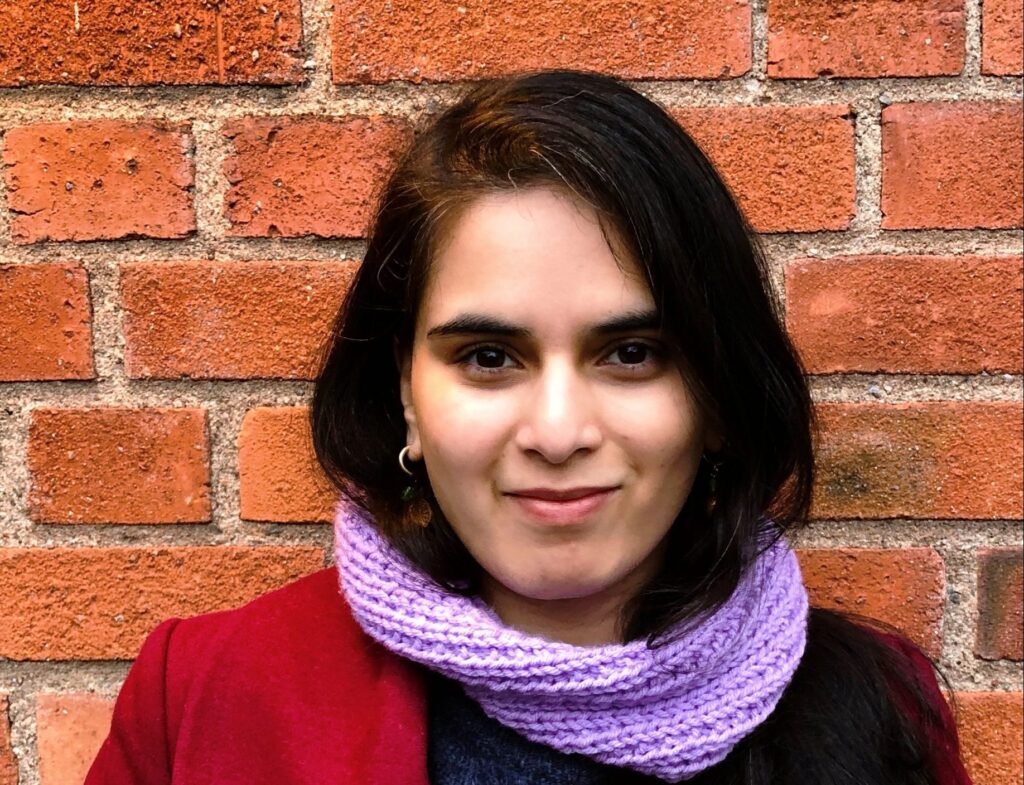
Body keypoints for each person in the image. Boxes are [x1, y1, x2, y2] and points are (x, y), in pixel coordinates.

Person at [85, 69, 973, 784]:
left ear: (716, 400)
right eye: (487, 357)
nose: (556, 432)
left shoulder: (880, 709)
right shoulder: (206, 693)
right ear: (406, 393)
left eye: (631, 353)